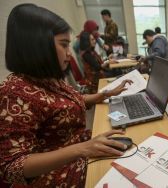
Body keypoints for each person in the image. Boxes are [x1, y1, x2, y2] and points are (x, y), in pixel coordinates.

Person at [0, 4, 133, 187]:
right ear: (37, 45)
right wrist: (81, 149)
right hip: (58, 173)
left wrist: (104, 95)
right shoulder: (14, 91)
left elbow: (68, 102)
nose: (70, 54)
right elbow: (12, 167)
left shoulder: (47, 78)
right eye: (64, 45)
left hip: (80, 150)